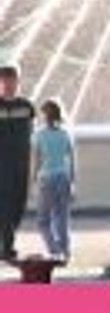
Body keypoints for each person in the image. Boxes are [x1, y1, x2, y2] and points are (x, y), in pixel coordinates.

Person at [30, 99, 74, 262]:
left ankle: (55, 250)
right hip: (63, 177)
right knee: (62, 217)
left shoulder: (39, 135)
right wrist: (72, 182)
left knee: (43, 220)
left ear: (44, 115)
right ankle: (66, 251)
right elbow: (71, 160)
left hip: (46, 179)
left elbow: (37, 161)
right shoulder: (66, 134)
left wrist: (33, 182)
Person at [0, 65, 35, 261]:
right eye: (5, 81)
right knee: (4, 205)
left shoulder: (27, 107)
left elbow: (33, 136)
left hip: (21, 164)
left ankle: (6, 241)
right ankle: (7, 247)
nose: (9, 85)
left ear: (18, 82)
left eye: (12, 81)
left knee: (18, 205)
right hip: (1, 165)